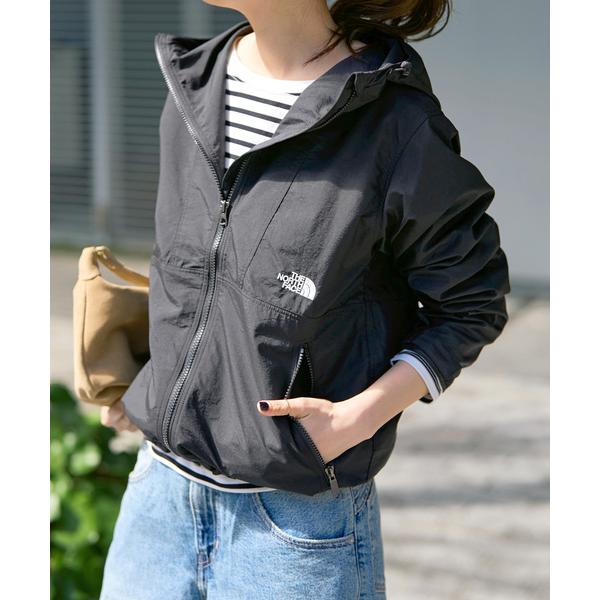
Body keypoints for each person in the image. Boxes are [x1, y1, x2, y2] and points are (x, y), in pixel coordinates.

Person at [99, 1, 510, 598]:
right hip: (157, 497)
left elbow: (472, 302)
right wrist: (155, 383)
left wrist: (357, 419)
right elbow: (199, 271)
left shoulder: (395, 125)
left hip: (295, 527)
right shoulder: (192, 84)